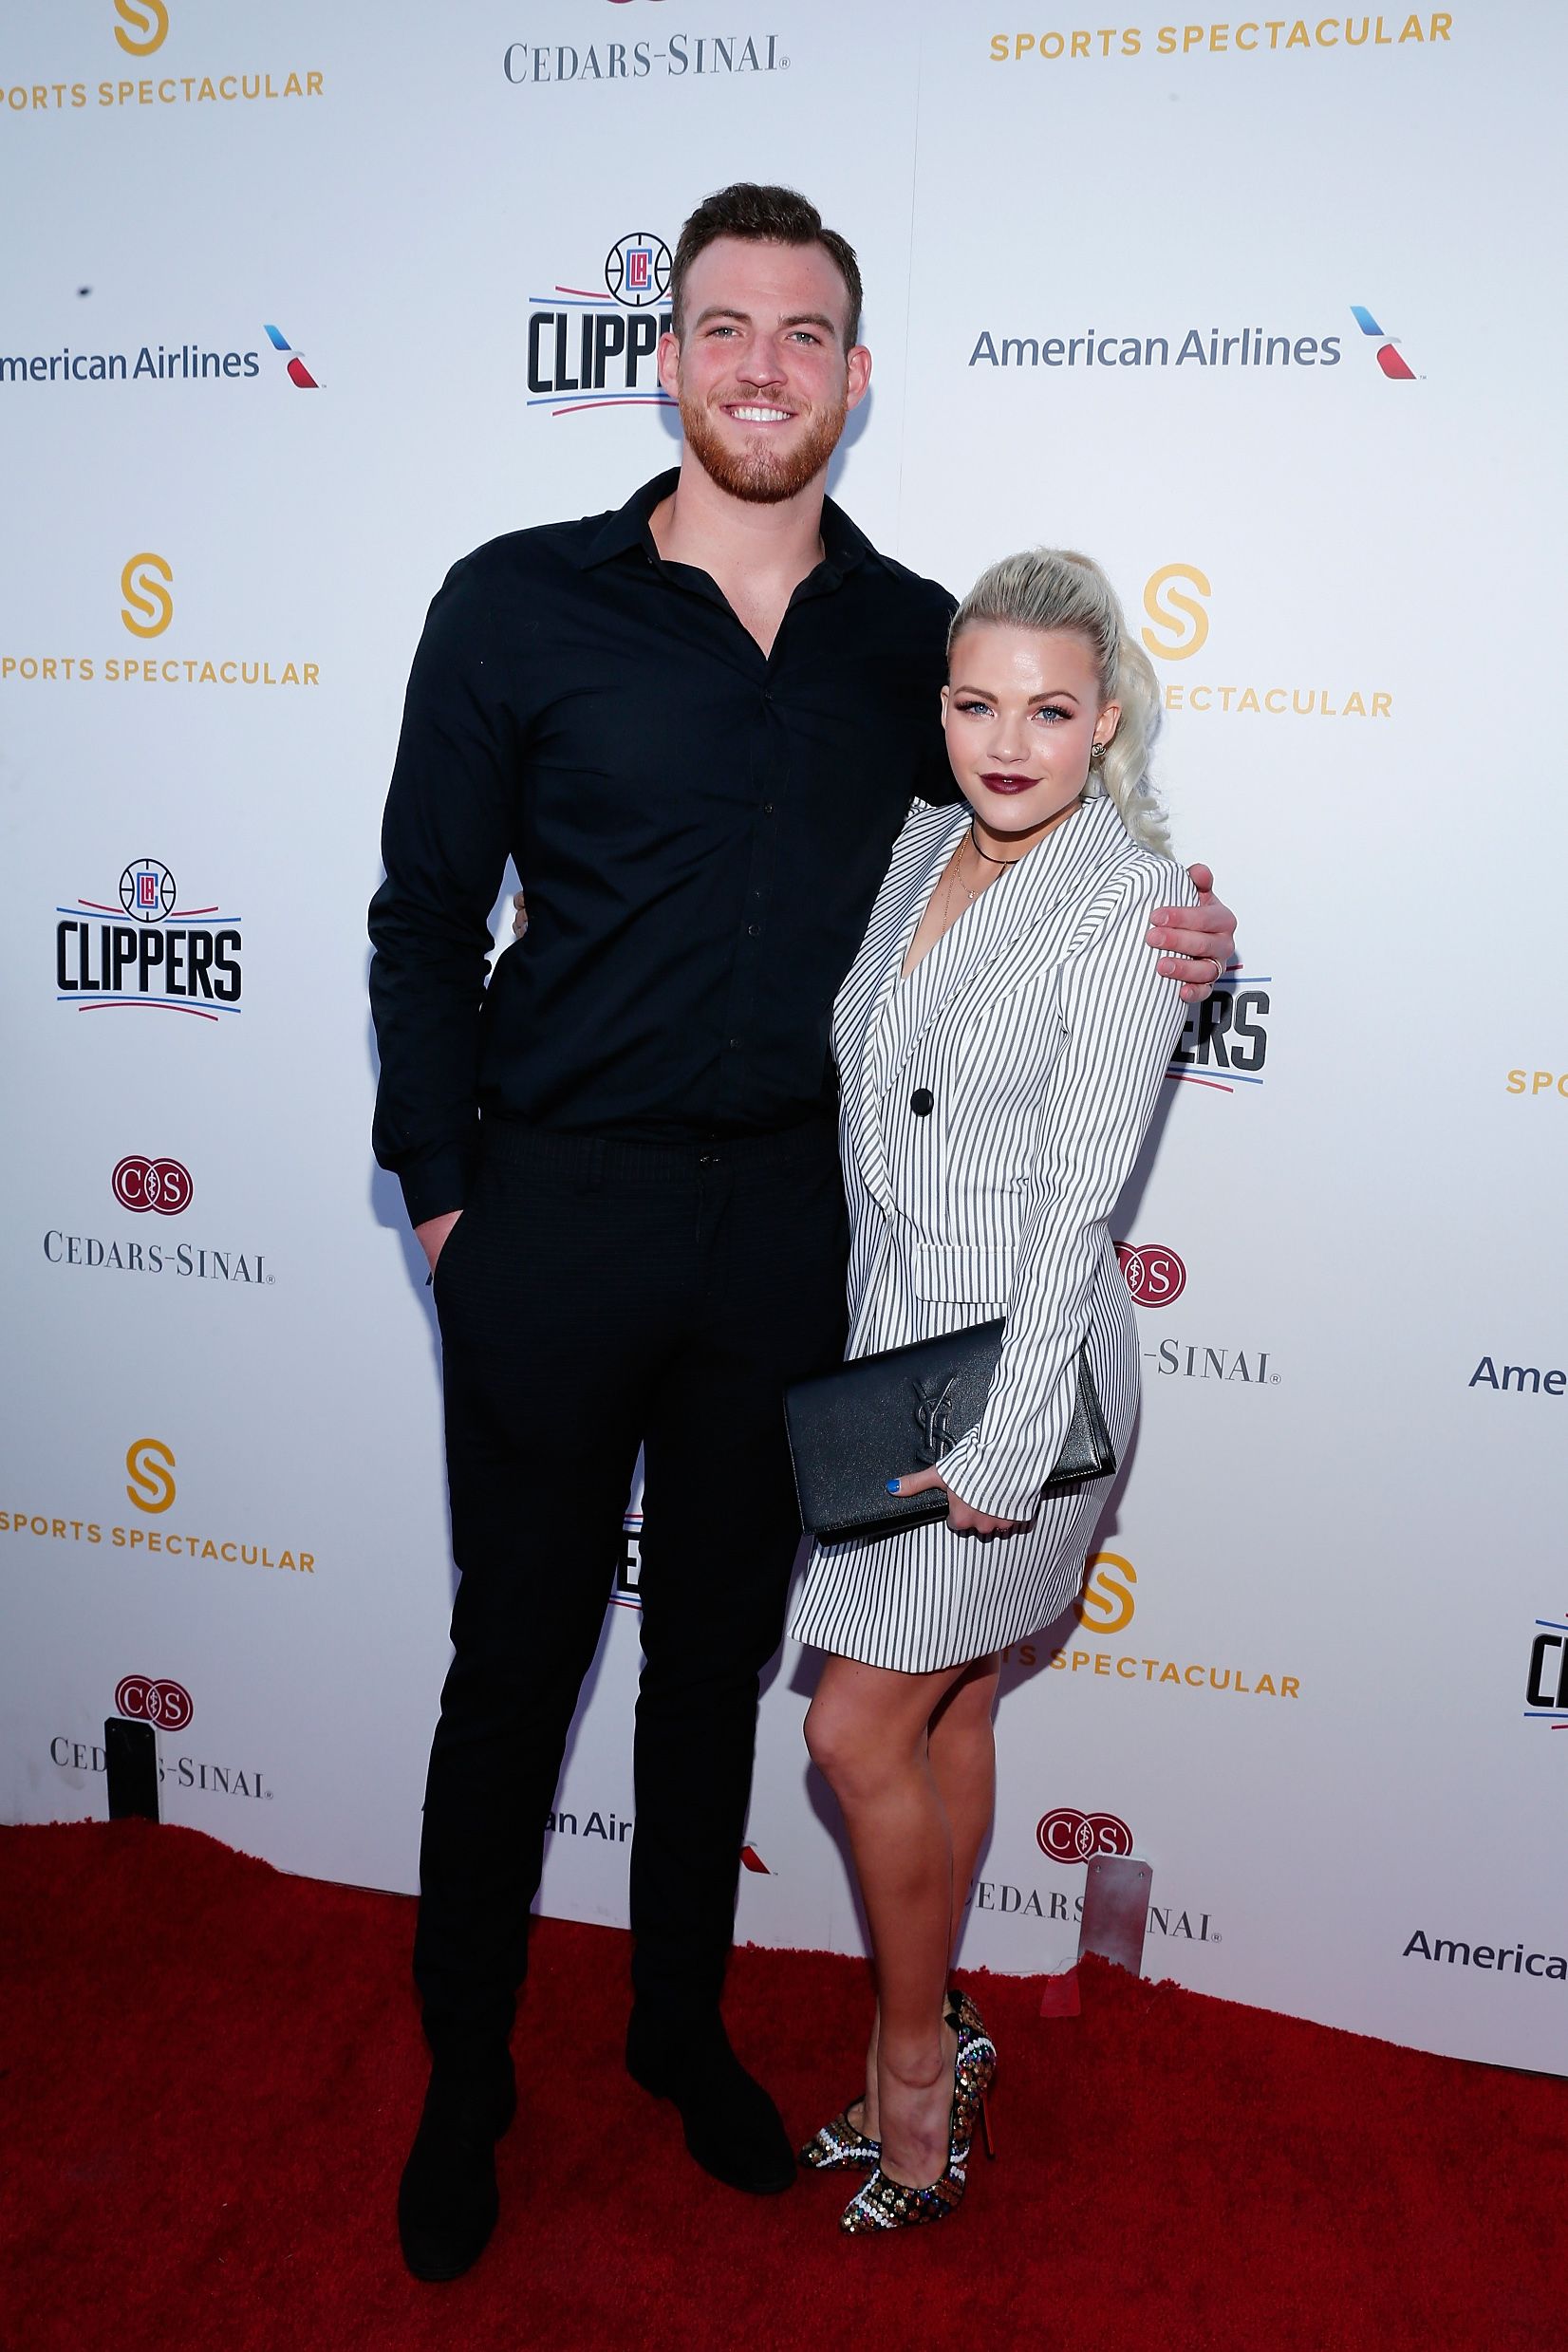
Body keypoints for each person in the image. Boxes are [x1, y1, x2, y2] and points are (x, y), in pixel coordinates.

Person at [367, 182, 1236, 2283]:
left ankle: (678, 2031)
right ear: (664, 357)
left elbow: (1043, 828)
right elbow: (417, 924)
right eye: (725, 327)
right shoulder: (510, 605)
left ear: (856, 375)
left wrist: (1179, 917)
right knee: (512, 1666)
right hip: (552, 1209)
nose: (764, 367)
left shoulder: (912, 642)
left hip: (788, 1241)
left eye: (807, 332)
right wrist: (448, 1196)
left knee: (711, 1666)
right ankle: (465, 2083)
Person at [790, 547, 1195, 2233]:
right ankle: (943, 2027)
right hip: (903, 1349)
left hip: (1026, 1373)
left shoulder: (1133, 913)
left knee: (849, 1722)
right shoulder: (915, 846)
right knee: (943, 1709)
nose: (1007, 740)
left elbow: (1074, 1209)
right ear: (941, 706)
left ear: (1105, 722)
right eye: (976, 702)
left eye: (1049, 708)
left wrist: (1011, 1447)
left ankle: (908, 2069)